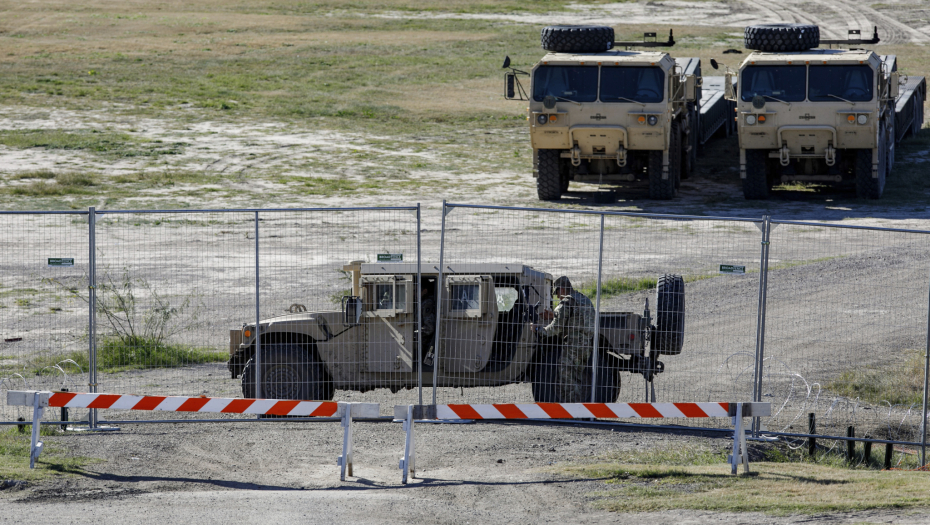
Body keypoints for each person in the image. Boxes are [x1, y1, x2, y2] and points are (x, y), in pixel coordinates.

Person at [534, 275, 595, 403]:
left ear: (561, 289)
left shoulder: (566, 302)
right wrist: (554, 315)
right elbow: (576, 319)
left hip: (573, 346)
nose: (557, 296)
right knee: (577, 378)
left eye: (556, 292)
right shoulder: (584, 299)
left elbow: (556, 328)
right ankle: (579, 410)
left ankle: (574, 411)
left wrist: (539, 330)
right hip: (586, 345)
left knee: (567, 381)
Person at [419, 279, 437, 366]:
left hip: (426, 345)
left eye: (416, 291)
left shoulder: (427, 303)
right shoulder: (423, 302)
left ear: (425, 291)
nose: (413, 294)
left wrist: (413, 334)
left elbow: (429, 328)